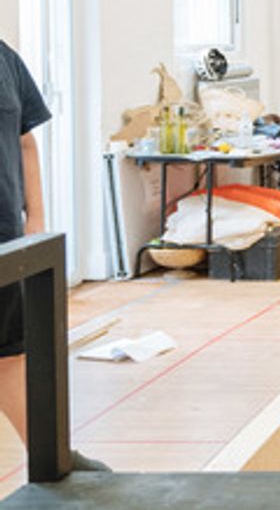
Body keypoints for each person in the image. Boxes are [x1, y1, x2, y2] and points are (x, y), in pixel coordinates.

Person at [0, 39, 107, 472]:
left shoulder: (4, 59)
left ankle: (50, 457)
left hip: (5, 238)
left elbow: (26, 142)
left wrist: (36, 218)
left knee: (10, 353)